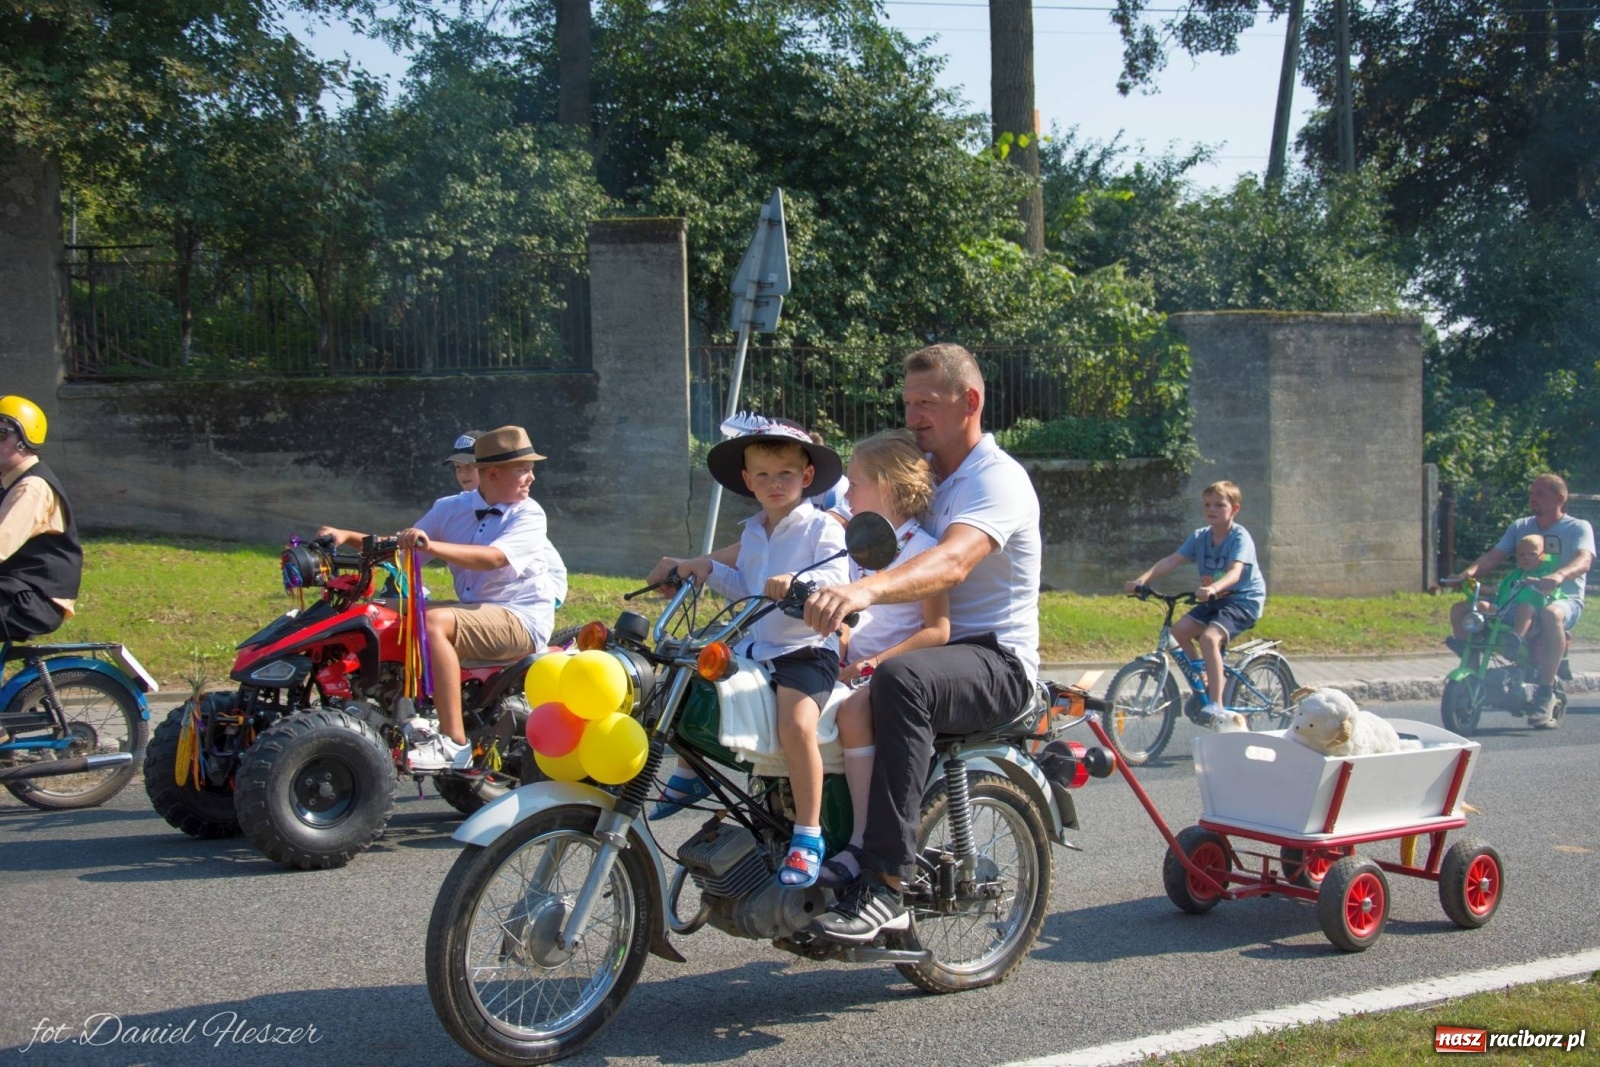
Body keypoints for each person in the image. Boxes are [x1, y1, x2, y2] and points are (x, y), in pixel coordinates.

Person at [799, 343, 1042, 944]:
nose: (913, 417)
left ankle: (886, 883)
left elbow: (955, 560)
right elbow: (824, 509)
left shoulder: (998, 480)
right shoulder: (925, 471)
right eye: (907, 404)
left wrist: (867, 592)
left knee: (900, 680)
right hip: (936, 653)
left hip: (995, 659)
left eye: (927, 403)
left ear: (971, 401)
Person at [651, 416, 848, 888]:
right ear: (747, 481)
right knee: (689, 675)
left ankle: (808, 834)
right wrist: (701, 568)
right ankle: (691, 770)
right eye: (762, 475)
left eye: (784, 474)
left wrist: (802, 586)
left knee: (795, 724)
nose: (773, 483)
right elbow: (744, 586)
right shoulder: (755, 531)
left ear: (805, 477)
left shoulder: (822, 529)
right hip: (755, 647)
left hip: (804, 652)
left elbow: (839, 583)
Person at [319, 425, 560, 770]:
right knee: (370, 614)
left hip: (520, 618)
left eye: (530, 468)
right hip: (476, 610)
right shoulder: (449, 509)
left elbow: (493, 557)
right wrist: (346, 536)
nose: (531, 477)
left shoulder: (529, 513)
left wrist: (429, 544)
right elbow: (402, 551)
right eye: (523, 469)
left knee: (434, 623)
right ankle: (383, 709)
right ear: (492, 473)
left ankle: (454, 744)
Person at [821, 429, 948, 887]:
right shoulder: (854, 548)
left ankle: (859, 841)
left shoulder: (924, 551)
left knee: (854, 711)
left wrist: (869, 666)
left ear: (886, 488)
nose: (846, 493)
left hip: (884, 674)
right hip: (841, 667)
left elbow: (937, 630)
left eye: (854, 483)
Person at [1448, 473, 1594, 727]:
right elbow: (1494, 556)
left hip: (1563, 598)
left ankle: (1544, 692)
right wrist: (1466, 574)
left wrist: (1559, 575)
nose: (1532, 499)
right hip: (1519, 596)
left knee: (1551, 614)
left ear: (1560, 498)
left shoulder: (1577, 527)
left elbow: (1585, 559)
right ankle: (1472, 680)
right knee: (1463, 610)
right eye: (1530, 494)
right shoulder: (1521, 526)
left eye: (1539, 494)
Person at [1123, 480, 1267, 714]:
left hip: (1242, 600)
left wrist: (1212, 588)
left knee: (1209, 638)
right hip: (1214, 599)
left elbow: (1235, 572)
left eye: (1220, 505)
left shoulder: (1240, 537)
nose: (1212, 509)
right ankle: (1205, 682)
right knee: (1179, 631)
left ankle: (1216, 704)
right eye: (1207, 504)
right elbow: (1172, 560)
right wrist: (1142, 581)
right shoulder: (1200, 537)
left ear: (1235, 509)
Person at [444, 429, 567, 607]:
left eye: (469, 466)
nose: (463, 473)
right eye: (457, 467)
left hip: (539, 590)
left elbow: (495, 558)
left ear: (489, 469)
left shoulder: (522, 509)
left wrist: (432, 547)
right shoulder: (458, 505)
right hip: (491, 596)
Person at [0, 396, 82, 641]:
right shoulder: (9, 482)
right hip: (16, 591)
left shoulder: (31, 487)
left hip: (34, 601)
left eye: (1, 434)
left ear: (25, 441)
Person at [1490, 534, 1563, 644]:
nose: (1526, 557)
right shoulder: (1516, 574)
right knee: (1482, 605)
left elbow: (1550, 590)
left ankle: (1516, 639)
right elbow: (1497, 589)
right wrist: (1474, 586)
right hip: (1506, 610)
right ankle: (1480, 635)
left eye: (1532, 554)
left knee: (1525, 607)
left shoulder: (1547, 574)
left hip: (1533, 616)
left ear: (1542, 556)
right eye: (1521, 555)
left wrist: (1538, 582)